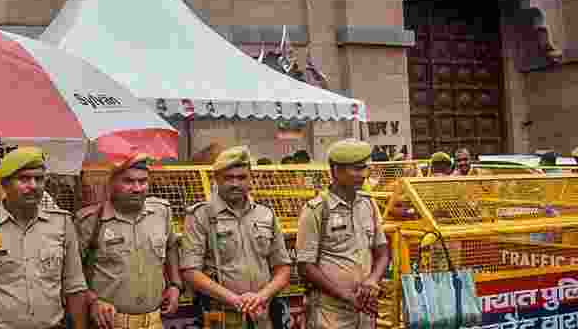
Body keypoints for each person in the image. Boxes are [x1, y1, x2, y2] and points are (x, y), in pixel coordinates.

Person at [0, 147, 89, 329]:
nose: (33, 186)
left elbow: (75, 287)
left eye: (39, 179)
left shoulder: (61, 223)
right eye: (23, 179)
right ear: (5, 184)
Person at [180, 146, 292, 329]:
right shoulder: (201, 216)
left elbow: (282, 268)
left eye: (241, 177)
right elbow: (190, 271)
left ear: (250, 179)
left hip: (262, 316)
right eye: (228, 178)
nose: (235, 184)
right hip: (221, 317)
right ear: (216, 179)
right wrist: (234, 300)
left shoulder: (265, 214)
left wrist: (261, 297)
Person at [76, 154, 182, 329]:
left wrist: (175, 285)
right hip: (109, 323)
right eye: (128, 181)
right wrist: (92, 301)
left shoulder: (161, 212)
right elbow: (71, 274)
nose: (137, 188)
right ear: (112, 183)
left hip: (154, 321)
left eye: (143, 181)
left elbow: (171, 247)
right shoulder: (90, 221)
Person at [296, 139, 390, 329]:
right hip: (330, 313)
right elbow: (305, 266)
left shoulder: (368, 204)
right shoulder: (316, 210)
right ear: (336, 171)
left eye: (364, 168)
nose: (363, 175)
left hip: (364, 309)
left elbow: (382, 252)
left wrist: (372, 281)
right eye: (356, 169)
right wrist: (345, 296)